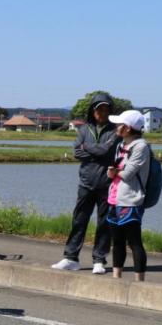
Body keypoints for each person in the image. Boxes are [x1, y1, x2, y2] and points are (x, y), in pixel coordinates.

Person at [53, 92, 119, 273]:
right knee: (79, 221)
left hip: (107, 184)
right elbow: (77, 152)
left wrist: (87, 147)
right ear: (92, 110)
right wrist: (96, 151)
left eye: (105, 109)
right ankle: (71, 258)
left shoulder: (115, 131)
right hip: (85, 182)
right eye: (99, 109)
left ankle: (99, 260)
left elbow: (107, 151)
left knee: (104, 223)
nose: (102, 112)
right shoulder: (83, 130)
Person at [105, 110, 150, 282]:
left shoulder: (141, 146)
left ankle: (139, 282)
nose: (116, 127)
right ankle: (116, 278)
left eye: (119, 124)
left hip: (131, 200)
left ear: (128, 128)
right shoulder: (121, 145)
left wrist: (116, 171)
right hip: (114, 198)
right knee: (117, 241)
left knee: (134, 242)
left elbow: (128, 174)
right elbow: (117, 172)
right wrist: (113, 172)